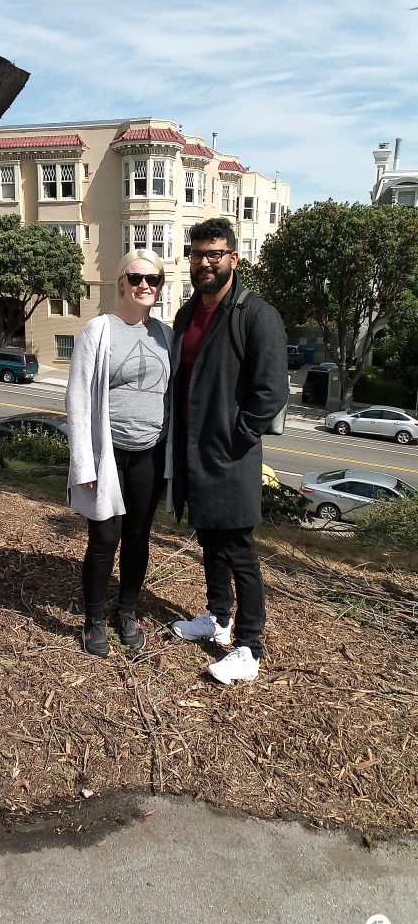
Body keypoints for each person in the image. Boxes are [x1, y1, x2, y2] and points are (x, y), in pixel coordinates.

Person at [171, 218, 288, 684]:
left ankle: (249, 647)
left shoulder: (255, 315)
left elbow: (270, 392)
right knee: (209, 540)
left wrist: (233, 438)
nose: (204, 262)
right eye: (197, 253)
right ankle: (217, 617)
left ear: (233, 259)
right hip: (192, 453)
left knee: (239, 550)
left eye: (214, 253)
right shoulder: (186, 313)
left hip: (230, 455)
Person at [66, 249, 173, 659]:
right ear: (121, 283)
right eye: (137, 277)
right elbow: (77, 397)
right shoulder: (99, 330)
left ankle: (126, 611)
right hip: (108, 455)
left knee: (138, 539)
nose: (145, 285)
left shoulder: (165, 335)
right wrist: (83, 463)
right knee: (104, 539)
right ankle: (93, 620)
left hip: (149, 454)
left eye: (154, 279)